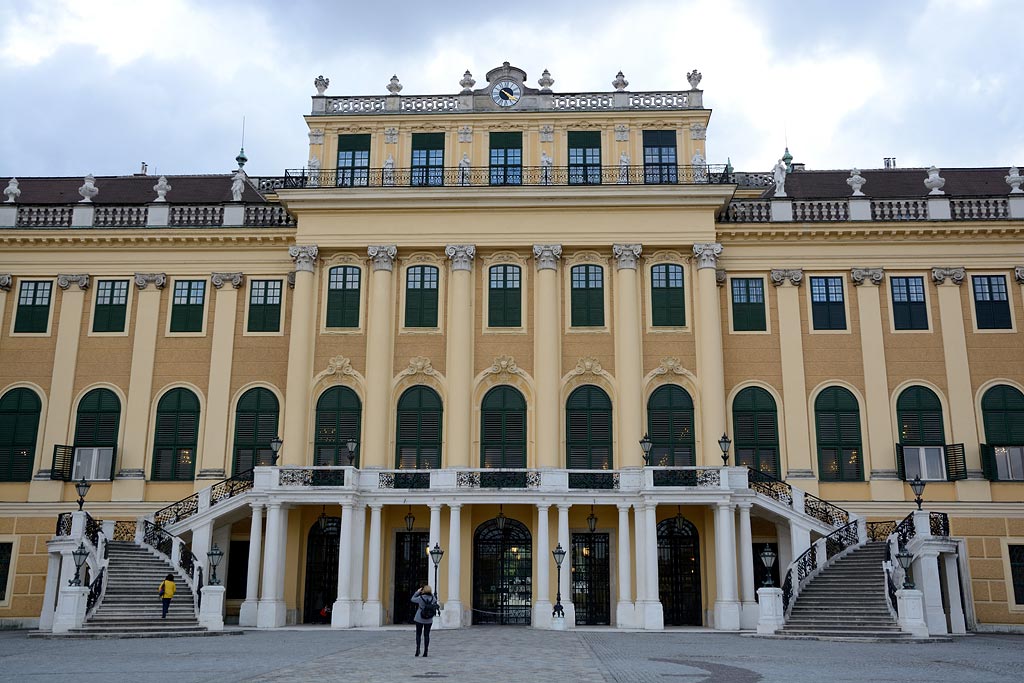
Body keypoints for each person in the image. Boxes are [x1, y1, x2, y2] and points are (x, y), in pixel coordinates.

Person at [411, 584, 438, 657]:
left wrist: (417, 592)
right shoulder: (433, 598)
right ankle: (426, 651)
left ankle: (417, 649)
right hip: (429, 619)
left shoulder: (420, 597)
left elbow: (412, 599)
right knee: (427, 635)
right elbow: (435, 603)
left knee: (418, 634)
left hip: (419, 618)